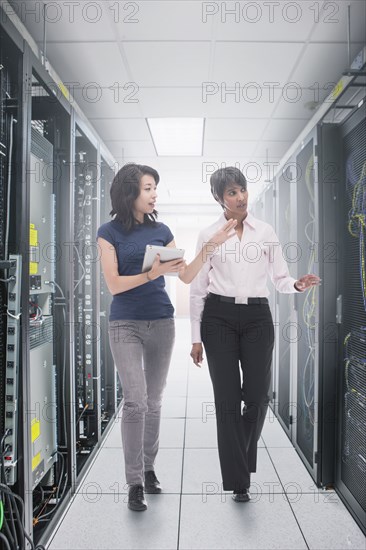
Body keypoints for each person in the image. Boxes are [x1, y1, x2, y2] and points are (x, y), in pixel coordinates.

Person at [97, 163, 236, 512]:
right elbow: (114, 285)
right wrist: (153, 273)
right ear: (129, 192)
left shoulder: (162, 229)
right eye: (148, 188)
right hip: (124, 323)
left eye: (155, 188)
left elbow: (186, 276)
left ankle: (148, 469)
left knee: (155, 401)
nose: (154, 193)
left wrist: (211, 245)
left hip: (161, 321)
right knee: (135, 401)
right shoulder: (107, 232)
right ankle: (133, 484)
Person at [190, 166, 321, 502]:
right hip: (218, 317)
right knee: (228, 401)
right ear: (220, 199)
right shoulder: (209, 234)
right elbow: (198, 289)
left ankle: (241, 461)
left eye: (243, 190)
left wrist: (295, 284)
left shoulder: (265, 231)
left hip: (257, 316)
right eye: (232, 192)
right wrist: (195, 337)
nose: (241, 197)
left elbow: (279, 277)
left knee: (259, 396)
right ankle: (240, 482)